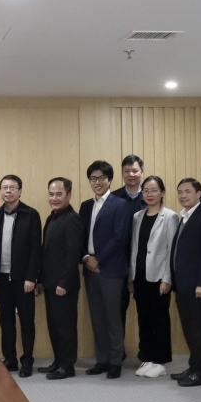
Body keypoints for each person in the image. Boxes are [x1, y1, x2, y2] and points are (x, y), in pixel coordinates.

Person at [79, 160, 130, 379]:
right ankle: (102, 360)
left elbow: (119, 237)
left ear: (109, 180)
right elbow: (80, 236)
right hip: (90, 268)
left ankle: (116, 362)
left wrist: (98, 259)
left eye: (101, 178)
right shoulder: (85, 206)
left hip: (111, 269)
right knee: (97, 318)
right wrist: (86, 258)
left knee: (112, 318)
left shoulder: (120, 204)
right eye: (93, 178)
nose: (97, 182)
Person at [170, 178, 201, 387]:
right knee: (190, 329)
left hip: (198, 286)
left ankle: (200, 373)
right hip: (183, 285)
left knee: (199, 330)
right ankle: (197, 365)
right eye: (180, 192)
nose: (183, 195)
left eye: (187, 191)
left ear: (199, 194)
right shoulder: (185, 216)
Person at [128, 176, 177, 379]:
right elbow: (134, 248)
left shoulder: (170, 217)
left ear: (162, 192)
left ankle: (160, 361)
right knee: (144, 318)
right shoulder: (137, 216)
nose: (149, 194)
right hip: (139, 275)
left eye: (154, 190)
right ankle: (147, 357)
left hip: (159, 277)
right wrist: (131, 278)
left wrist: (167, 279)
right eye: (146, 190)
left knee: (160, 319)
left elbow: (172, 250)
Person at [0, 174, 42, 376]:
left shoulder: (30, 215)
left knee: (27, 321)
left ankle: (27, 360)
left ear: (20, 191)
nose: (8, 191)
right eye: (4, 187)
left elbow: (36, 249)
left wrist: (32, 277)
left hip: (23, 279)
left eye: (12, 187)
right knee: (6, 321)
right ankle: (10, 359)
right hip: (1, 277)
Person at [37, 177, 84, 380]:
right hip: (49, 283)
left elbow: (73, 255)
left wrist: (63, 282)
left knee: (65, 327)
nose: (54, 198)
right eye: (51, 194)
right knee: (54, 326)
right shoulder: (52, 218)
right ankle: (58, 361)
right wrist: (41, 280)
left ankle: (67, 365)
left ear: (68, 195)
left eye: (59, 194)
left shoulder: (72, 219)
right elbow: (46, 253)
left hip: (64, 285)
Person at [111, 154, 146, 355]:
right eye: (127, 171)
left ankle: (145, 351)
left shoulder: (150, 196)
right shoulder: (114, 198)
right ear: (122, 173)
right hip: (119, 263)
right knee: (118, 309)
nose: (131, 174)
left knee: (145, 310)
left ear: (142, 172)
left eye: (135, 170)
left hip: (143, 263)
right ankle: (118, 352)